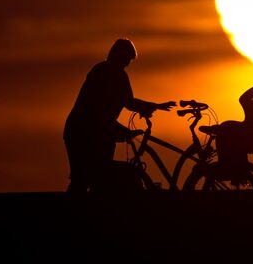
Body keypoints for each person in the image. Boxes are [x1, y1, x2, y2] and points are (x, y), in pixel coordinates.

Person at [63, 38, 176, 193]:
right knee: (85, 178)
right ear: (118, 56)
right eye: (127, 59)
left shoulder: (108, 72)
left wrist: (150, 107)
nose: (128, 64)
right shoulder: (106, 73)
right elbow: (118, 105)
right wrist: (152, 107)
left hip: (92, 130)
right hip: (83, 132)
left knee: (89, 178)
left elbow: (127, 102)